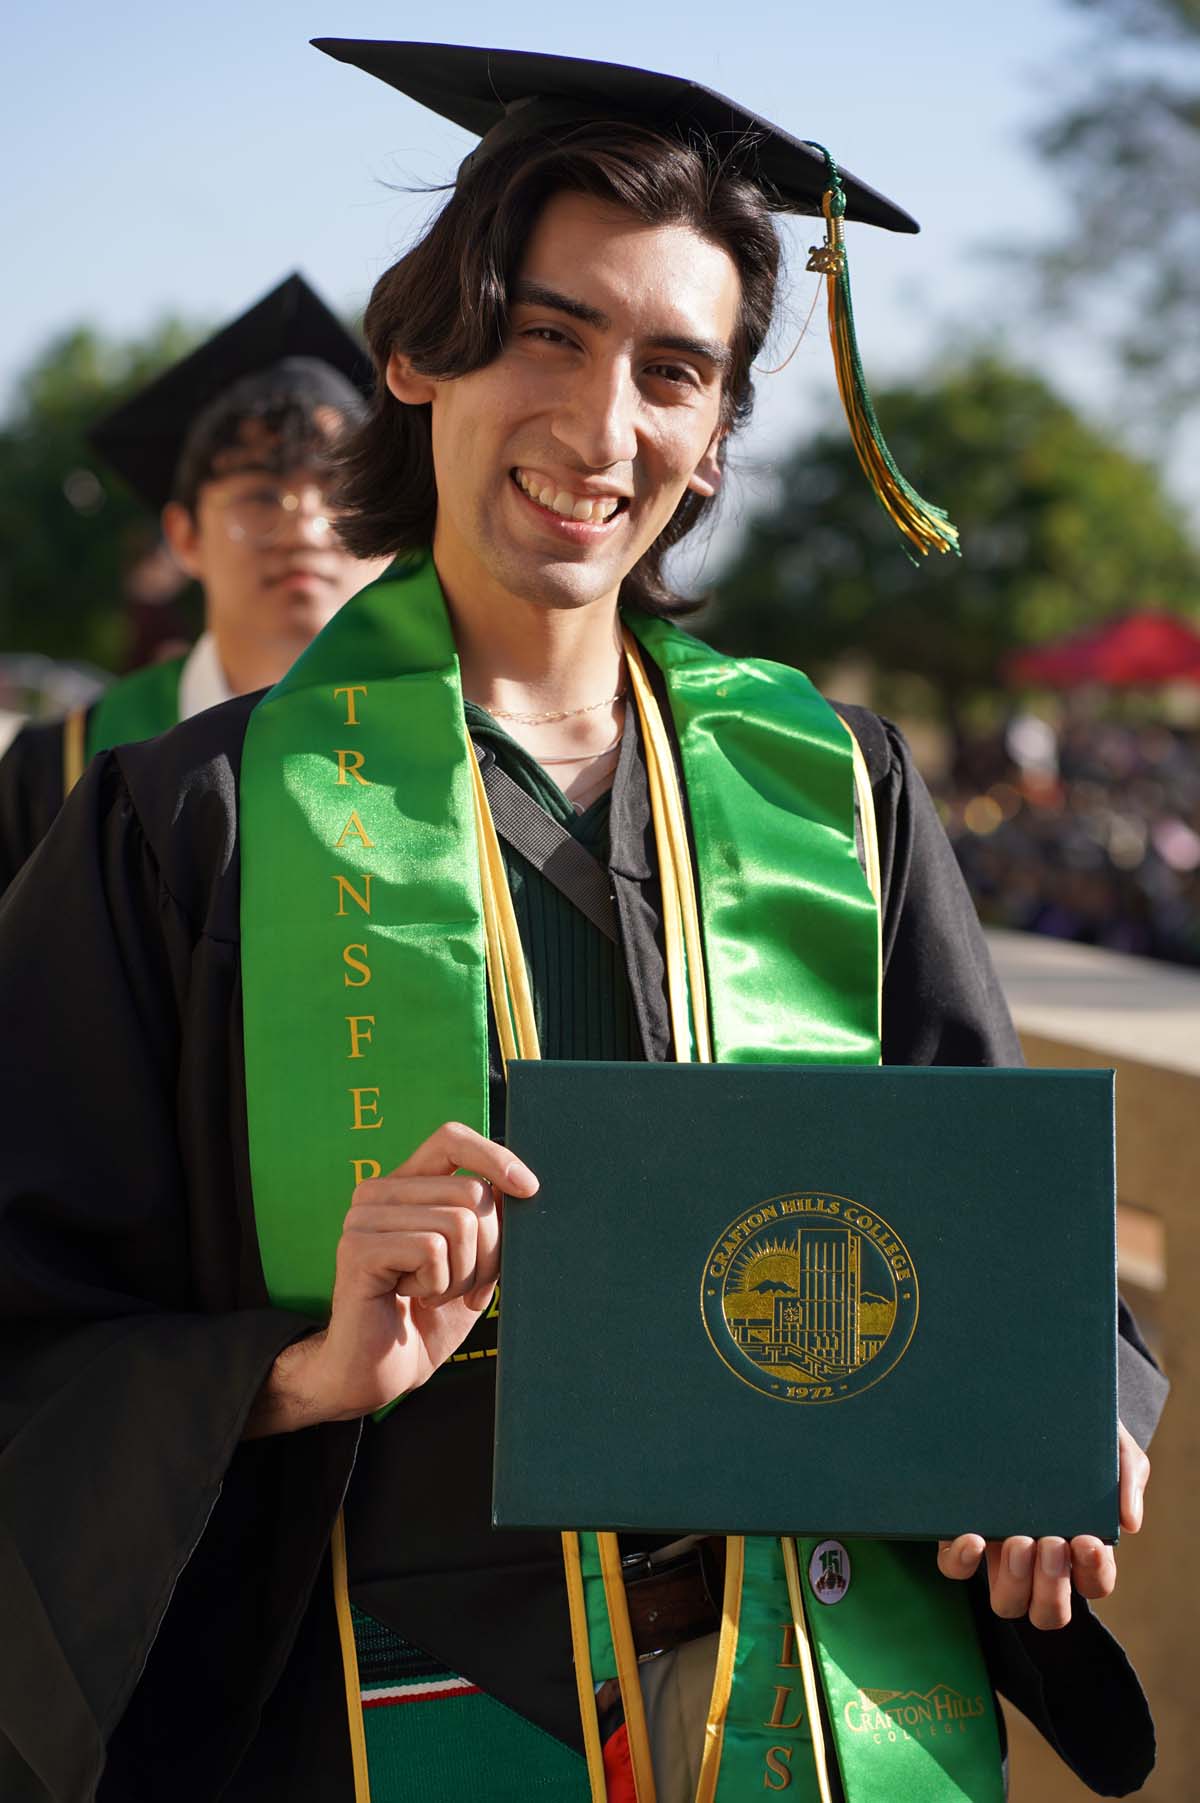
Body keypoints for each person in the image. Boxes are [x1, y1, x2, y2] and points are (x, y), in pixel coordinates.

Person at [0, 41, 1165, 1803]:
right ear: (419, 354)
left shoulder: (837, 793)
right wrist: (298, 1368)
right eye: (548, 333)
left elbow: (1004, 1230)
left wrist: (1071, 1418)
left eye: (673, 371)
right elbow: (31, 1323)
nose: (601, 423)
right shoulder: (187, 826)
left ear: (711, 442)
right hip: (386, 1702)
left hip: (827, 1692)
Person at [0, 272, 385, 891]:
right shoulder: (56, 772)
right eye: (262, 496)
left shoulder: (457, 752)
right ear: (184, 538)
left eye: (342, 492)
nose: (305, 528)